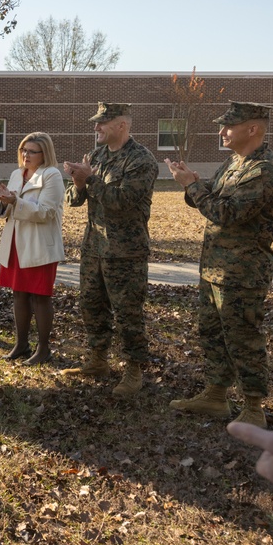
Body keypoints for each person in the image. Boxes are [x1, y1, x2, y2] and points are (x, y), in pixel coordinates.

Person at [165, 101, 273, 428]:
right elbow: (212, 196)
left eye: (228, 126)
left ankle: (254, 407)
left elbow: (228, 214)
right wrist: (192, 183)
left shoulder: (264, 170)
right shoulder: (234, 162)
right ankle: (215, 395)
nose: (221, 132)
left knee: (243, 338)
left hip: (243, 272)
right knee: (212, 334)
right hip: (215, 267)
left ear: (252, 129)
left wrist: (193, 186)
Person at [62, 102, 158, 398]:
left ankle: (133, 370)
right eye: (96, 122)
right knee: (91, 306)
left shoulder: (141, 160)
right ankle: (98, 360)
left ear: (121, 125)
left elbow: (122, 201)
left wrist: (89, 179)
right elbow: (73, 200)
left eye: (102, 122)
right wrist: (78, 184)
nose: (96, 127)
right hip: (94, 248)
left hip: (126, 251)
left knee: (128, 312)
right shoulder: (96, 156)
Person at [0, 132, 65, 366]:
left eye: (31, 151)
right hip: (14, 243)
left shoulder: (52, 176)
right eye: (24, 149)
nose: (25, 155)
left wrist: (15, 202)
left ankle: (43, 349)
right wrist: (3, 202)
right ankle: (21, 344)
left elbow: (46, 212)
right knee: (18, 294)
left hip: (39, 244)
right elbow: (5, 209)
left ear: (45, 154)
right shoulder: (16, 174)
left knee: (40, 297)